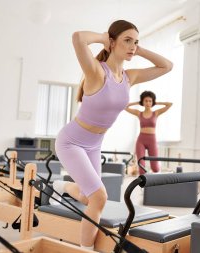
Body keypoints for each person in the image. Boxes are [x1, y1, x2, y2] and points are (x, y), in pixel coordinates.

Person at [53, 20, 173, 249]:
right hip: (71, 142)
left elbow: (167, 66)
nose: (132, 46)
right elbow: (78, 37)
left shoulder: (130, 76)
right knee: (99, 198)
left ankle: (63, 187)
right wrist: (104, 38)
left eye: (135, 42)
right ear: (112, 41)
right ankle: (85, 249)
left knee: (90, 197)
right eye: (127, 40)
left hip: (94, 144)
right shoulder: (97, 71)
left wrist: (138, 48)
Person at [125, 91, 172, 174]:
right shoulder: (139, 113)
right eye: (146, 101)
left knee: (155, 168)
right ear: (143, 102)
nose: (148, 103)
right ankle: (143, 185)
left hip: (152, 140)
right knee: (141, 167)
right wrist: (138, 102)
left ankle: (158, 166)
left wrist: (156, 103)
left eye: (150, 101)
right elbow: (125, 106)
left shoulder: (156, 113)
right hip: (141, 140)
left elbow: (169, 104)